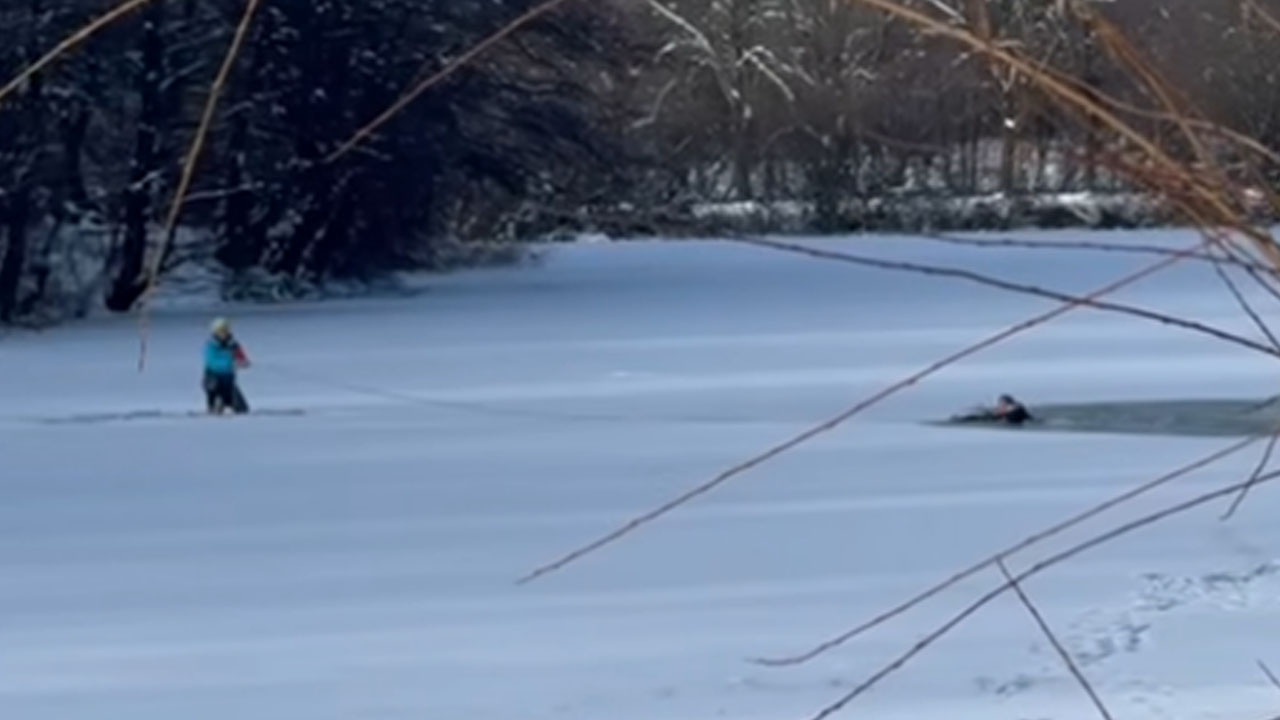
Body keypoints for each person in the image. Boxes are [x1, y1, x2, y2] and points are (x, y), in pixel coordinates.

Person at [203, 317, 251, 414]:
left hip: (228, 378)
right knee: (214, 392)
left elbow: (241, 357)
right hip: (214, 377)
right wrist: (230, 361)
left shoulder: (233, 345)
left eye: (225, 330)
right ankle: (214, 407)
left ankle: (228, 405)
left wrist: (243, 362)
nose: (224, 333)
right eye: (221, 331)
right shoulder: (211, 346)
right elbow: (212, 361)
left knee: (241, 408)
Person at [952, 393, 1033, 426]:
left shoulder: (1017, 413)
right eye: (1000, 405)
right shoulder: (994, 417)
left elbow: (1019, 411)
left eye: (1002, 405)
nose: (999, 407)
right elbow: (974, 418)